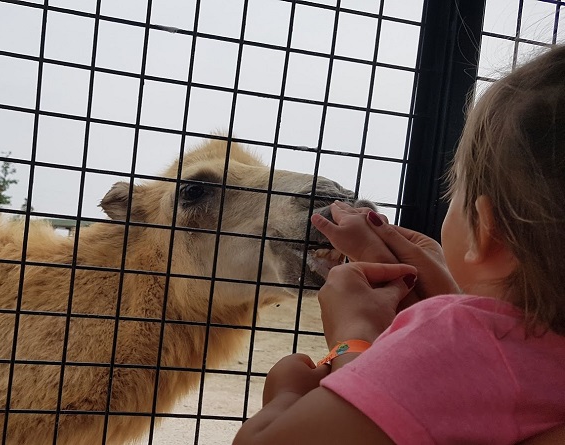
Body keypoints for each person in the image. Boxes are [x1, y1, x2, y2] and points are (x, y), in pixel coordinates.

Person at [233, 45, 565, 444]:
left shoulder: (453, 341)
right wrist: (445, 294)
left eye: (454, 190)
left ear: (485, 228)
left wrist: (348, 340)